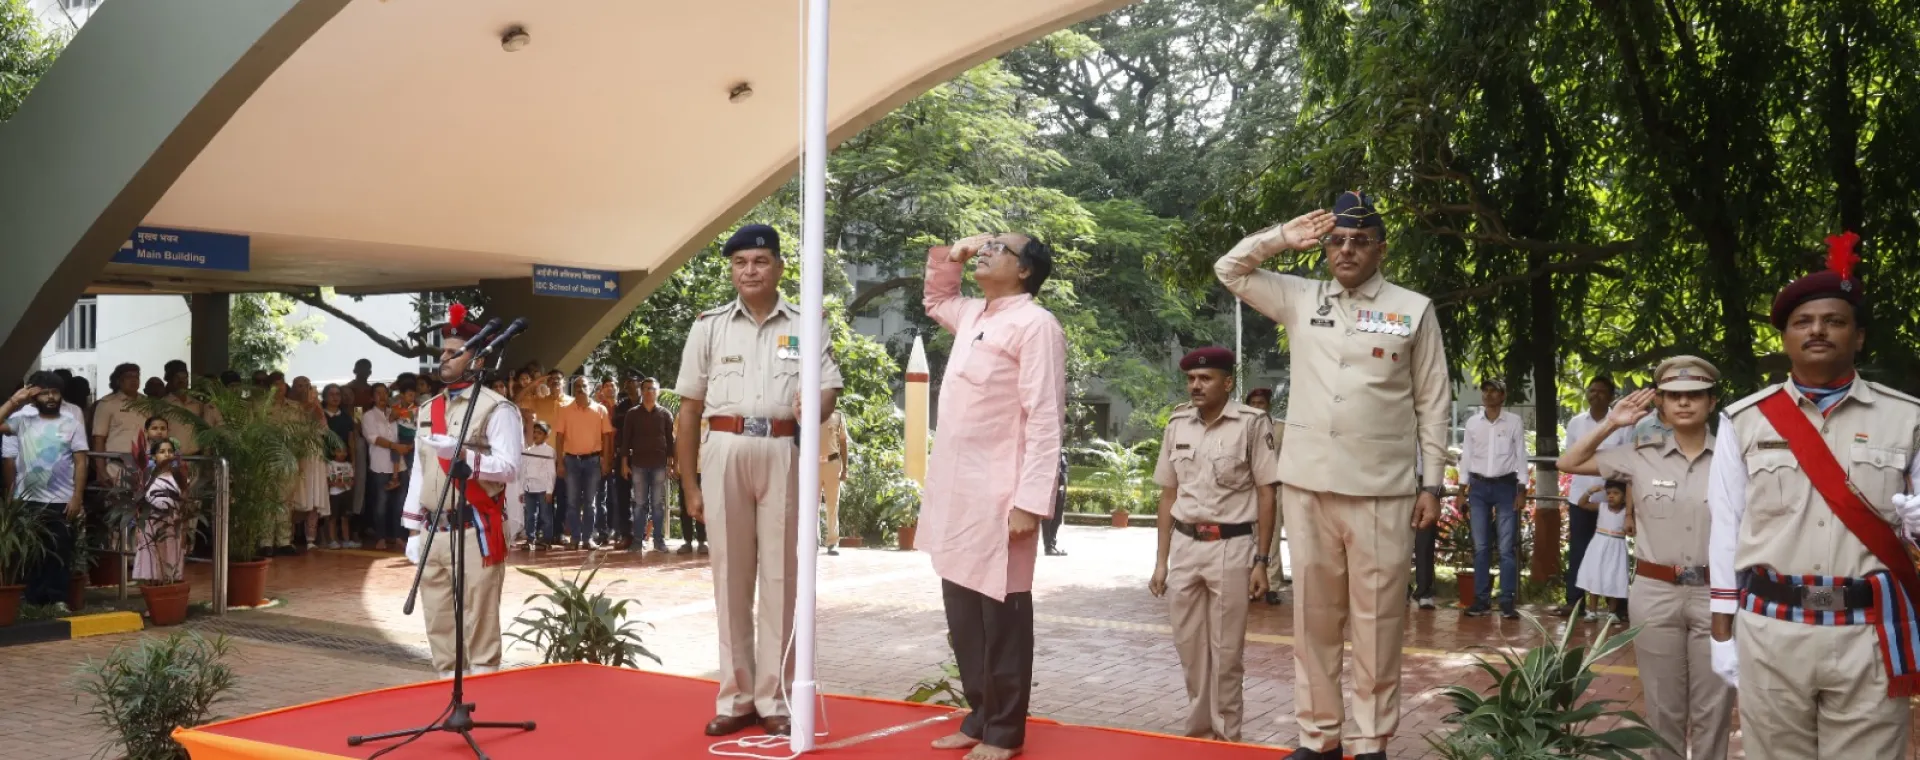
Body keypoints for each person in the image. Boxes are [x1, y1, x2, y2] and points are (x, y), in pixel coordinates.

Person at [1214, 192, 1449, 760]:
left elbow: (1433, 399)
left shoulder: (1411, 308)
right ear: (1324, 248)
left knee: (1377, 621)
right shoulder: (1300, 296)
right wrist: (1280, 237)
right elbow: (1229, 268)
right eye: (1337, 240)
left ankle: (1370, 742)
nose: (1346, 249)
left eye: (1360, 240)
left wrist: (1432, 482)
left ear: (1380, 249)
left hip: (1380, 488)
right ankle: (1319, 737)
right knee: (1313, 620)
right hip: (1308, 482)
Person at [1708, 234, 1920, 758]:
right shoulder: (1744, 421)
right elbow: (1725, 528)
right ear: (1785, 337)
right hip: (1772, 631)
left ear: (1859, 337)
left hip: (1868, 635)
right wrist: (1720, 631)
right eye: (1803, 321)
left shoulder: (1908, 418)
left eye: (1835, 320)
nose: (1818, 330)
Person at [675, 223, 843, 737]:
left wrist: (813, 404)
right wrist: (689, 485)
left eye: (760, 261)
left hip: (782, 450)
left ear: (779, 268)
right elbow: (688, 408)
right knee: (730, 578)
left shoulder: (806, 322)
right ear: (732, 269)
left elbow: (829, 390)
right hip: (723, 449)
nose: (749, 271)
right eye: (740, 262)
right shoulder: (708, 326)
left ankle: (775, 698)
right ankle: (736, 697)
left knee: (781, 579)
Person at [918, 231, 1066, 760]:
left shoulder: (1036, 324)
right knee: (963, 614)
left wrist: (1031, 500)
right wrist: (952, 255)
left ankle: (1005, 731)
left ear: (1025, 270)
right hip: (958, 494)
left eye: (999, 249)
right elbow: (936, 298)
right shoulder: (974, 316)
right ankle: (979, 716)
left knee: (1003, 616)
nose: (987, 251)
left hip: (1005, 495)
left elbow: (1046, 416)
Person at [1559, 357, 1733, 758]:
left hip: (1715, 594)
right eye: (1674, 395)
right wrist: (1613, 424)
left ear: (1712, 400)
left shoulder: (1732, 458)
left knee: (1714, 708)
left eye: (1695, 395)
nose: (1684, 403)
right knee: (1662, 709)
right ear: (1661, 405)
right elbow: (1568, 463)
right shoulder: (1639, 455)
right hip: (1655, 593)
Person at [1147, 347, 1279, 742]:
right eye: (1190, 379)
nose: (1195, 385)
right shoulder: (1178, 423)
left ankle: (1227, 736)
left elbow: (1267, 493)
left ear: (1227, 382)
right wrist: (1161, 561)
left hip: (1231, 546)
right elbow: (1168, 495)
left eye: (1205, 379)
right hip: (1186, 545)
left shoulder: (1251, 423)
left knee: (1226, 653)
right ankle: (1200, 730)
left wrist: (1262, 560)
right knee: (1189, 646)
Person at [400, 307, 523, 679]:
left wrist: (463, 454)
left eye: (455, 352)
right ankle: (445, 690)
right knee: (437, 620)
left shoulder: (497, 408)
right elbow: (419, 471)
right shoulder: (428, 408)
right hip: (432, 530)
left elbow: (509, 468)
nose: (445, 358)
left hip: (474, 528)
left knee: (479, 620)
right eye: (443, 352)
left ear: (478, 359)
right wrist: (411, 530)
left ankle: (483, 689)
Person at [0, 373, 88, 605]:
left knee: (60, 551)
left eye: (55, 392)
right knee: (31, 552)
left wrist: (77, 497)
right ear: (34, 396)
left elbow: (81, 462)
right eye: (45, 392)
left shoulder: (72, 423)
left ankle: (58, 601)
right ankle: (32, 601)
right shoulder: (22, 419)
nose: (51, 397)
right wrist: (14, 400)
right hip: (26, 500)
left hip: (62, 500)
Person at [1554, 376, 1629, 618]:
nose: (1595, 394)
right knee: (1579, 549)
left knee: (1613, 554)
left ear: (1610, 396)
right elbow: (1571, 458)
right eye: (1592, 390)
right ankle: (1574, 602)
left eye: (1601, 391)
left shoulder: (1622, 425)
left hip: (1613, 501)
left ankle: (1617, 608)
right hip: (1582, 497)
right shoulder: (1576, 423)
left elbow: (1627, 460)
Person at [1459, 378, 1529, 619]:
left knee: (1507, 548)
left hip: (1505, 487)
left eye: (1494, 391)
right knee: (1480, 547)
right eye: (1485, 390)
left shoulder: (1513, 422)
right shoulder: (1472, 423)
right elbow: (1466, 457)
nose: (1488, 395)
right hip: (1478, 488)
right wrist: (1461, 490)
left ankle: (1507, 600)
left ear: (1503, 396)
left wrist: (1522, 490)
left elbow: (1521, 456)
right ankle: (1481, 600)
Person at [553, 374, 614, 549]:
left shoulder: (600, 410)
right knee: (572, 502)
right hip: (571, 461)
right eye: (577, 386)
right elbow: (559, 437)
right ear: (574, 389)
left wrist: (606, 461)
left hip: (593, 461)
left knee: (590, 503)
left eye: (584, 386)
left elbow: (607, 437)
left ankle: (587, 538)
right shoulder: (565, 409)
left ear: (590, 388)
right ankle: (574, 539)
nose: (581, 389)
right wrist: (560, 462)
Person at [620, 377, 676, 553]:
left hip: (659, 465)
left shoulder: (665, 414)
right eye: (646, 388)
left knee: (657, 505)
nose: (649, 391)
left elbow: (670, 441)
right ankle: (638, 541)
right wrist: (624, 463)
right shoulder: (632, 414)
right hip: (638, 465)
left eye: (652, 388)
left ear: (658, 391)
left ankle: (658, 541)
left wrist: (671, 464)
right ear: (641, 392)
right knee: (639, 504)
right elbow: (626, 440)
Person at [1572, 480, 1630, 621]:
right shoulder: (1602, 507)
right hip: (1599, 546)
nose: (1611, 496)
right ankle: (1592, 611)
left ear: (1624, 496)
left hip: (1617, 548)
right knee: (1595, 576)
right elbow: (1582, 504)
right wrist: (1590, 491)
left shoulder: (1627, 513)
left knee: (1616, 577)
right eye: (1609, 493)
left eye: (1616, 493)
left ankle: (1612, 612)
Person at [361, 383, 408, 551]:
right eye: (378, 393)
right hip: (380, 465)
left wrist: (404, 446)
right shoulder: (368, 416)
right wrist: (395, 446)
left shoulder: (395, 413)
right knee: (381, 504)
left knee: (400, 503)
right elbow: (373, 438)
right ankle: (380, 537)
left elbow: (407, 431)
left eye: (384, 393)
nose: (382, 396)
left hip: (399, 465)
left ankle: (398, 536)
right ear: (372, 397)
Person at [134, 437, 188, 584]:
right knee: (152, 563)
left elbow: (185, 506)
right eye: (162, 451)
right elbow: (139, 506)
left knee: (171, 559)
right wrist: (138, 529)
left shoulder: (179, 477)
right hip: (151, 526)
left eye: (170, 451)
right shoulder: (146, 477)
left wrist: (184, 533)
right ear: (153, 456)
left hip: (172, 525)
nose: (167, 455)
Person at [521, 422, 557, 549]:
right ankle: (530, 539)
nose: (536, 435)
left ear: (546, 436)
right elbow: (523, 471)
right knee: (530, 515)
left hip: (543, 488)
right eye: (535, 432)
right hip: (529, 488)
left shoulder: (549, 451)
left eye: (539, 433)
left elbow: (551, 472)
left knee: (545, 515)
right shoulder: (527, 451)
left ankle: (546, 540)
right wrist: (522, 490)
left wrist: (549, 491)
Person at [819, 409, 850, 555]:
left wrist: (845, 469)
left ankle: (832, 542)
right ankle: (813, 540)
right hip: (812, 465)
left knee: (832, 504)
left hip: (832, 463)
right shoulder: (808, 414)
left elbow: (843, 443)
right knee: (812, 505)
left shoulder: (837, 416)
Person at [1043, 452, 1067, 557]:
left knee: (1057, 518)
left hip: (1060, 489)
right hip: (1049, 488)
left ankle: (1052, 543)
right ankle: (1048, 547)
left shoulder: (1062, 453)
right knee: (1048, 519)